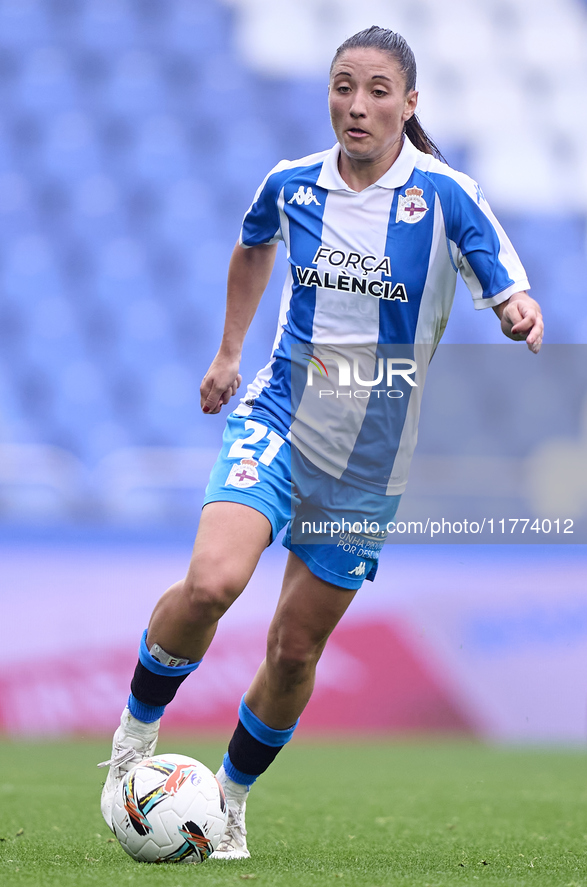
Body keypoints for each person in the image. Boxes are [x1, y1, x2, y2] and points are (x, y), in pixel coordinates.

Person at [98, 26, 544, 860]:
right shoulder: (292, 182)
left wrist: (517, 310)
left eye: (378, 89)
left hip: (369, 457)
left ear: (410, 105)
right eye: (344, 85)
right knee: (211, 581)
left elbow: (503, 278)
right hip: (279, 418)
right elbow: (250, 244)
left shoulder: (445, 194)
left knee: (295, 646)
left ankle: (227, 801)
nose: (357, 104)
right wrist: (229, 352)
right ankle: (132, 741)